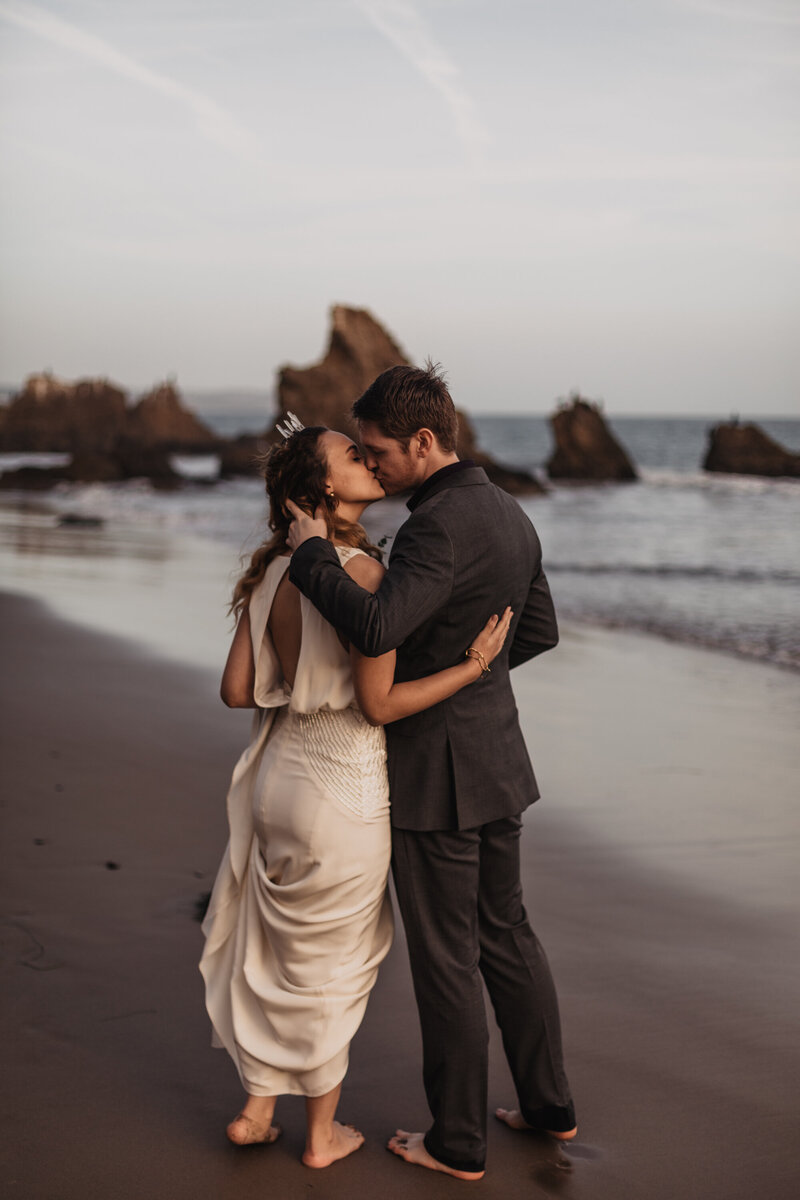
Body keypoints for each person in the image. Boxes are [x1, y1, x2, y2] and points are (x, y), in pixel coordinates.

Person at [287, 364, 576, 1181]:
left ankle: (457, 1142)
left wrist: (313, 557)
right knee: (508, 937)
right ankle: (549, 1106)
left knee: (448, 958)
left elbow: (377, 623)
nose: (372, 467)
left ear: (424, 441)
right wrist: (471, 671)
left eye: (380, 453)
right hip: (500, 760)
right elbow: (540, 631)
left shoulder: (435, 527)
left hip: (437, 774)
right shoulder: (511, 513)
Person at [199, 421, 511, 1170]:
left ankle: (255, 1109)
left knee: (274, 950)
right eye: (353, 455)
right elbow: (380, 705)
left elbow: (237, 691)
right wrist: (472, 666)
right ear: (328, 487)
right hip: (344, 790)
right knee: (338, 961)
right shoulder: (366, 576)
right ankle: (320, 1136)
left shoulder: (271, 569)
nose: (370, 461)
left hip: (277, 779)